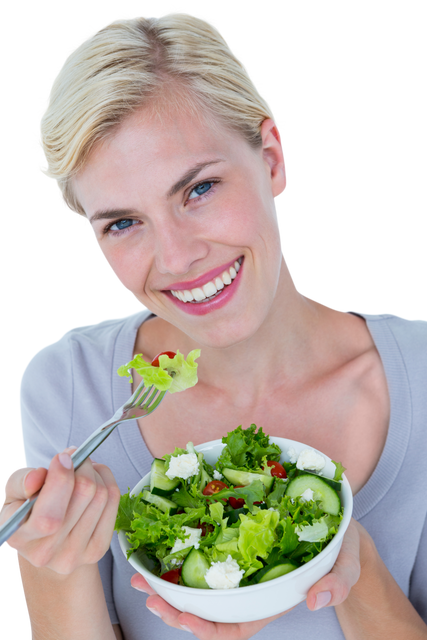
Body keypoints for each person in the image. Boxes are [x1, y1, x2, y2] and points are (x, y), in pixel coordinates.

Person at [2, 8, 426, 640]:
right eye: (122, 223)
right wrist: (50, 565)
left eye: (198, 189)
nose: (175, 258)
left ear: (273, 158)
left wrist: (357, 576)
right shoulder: (71, 386)